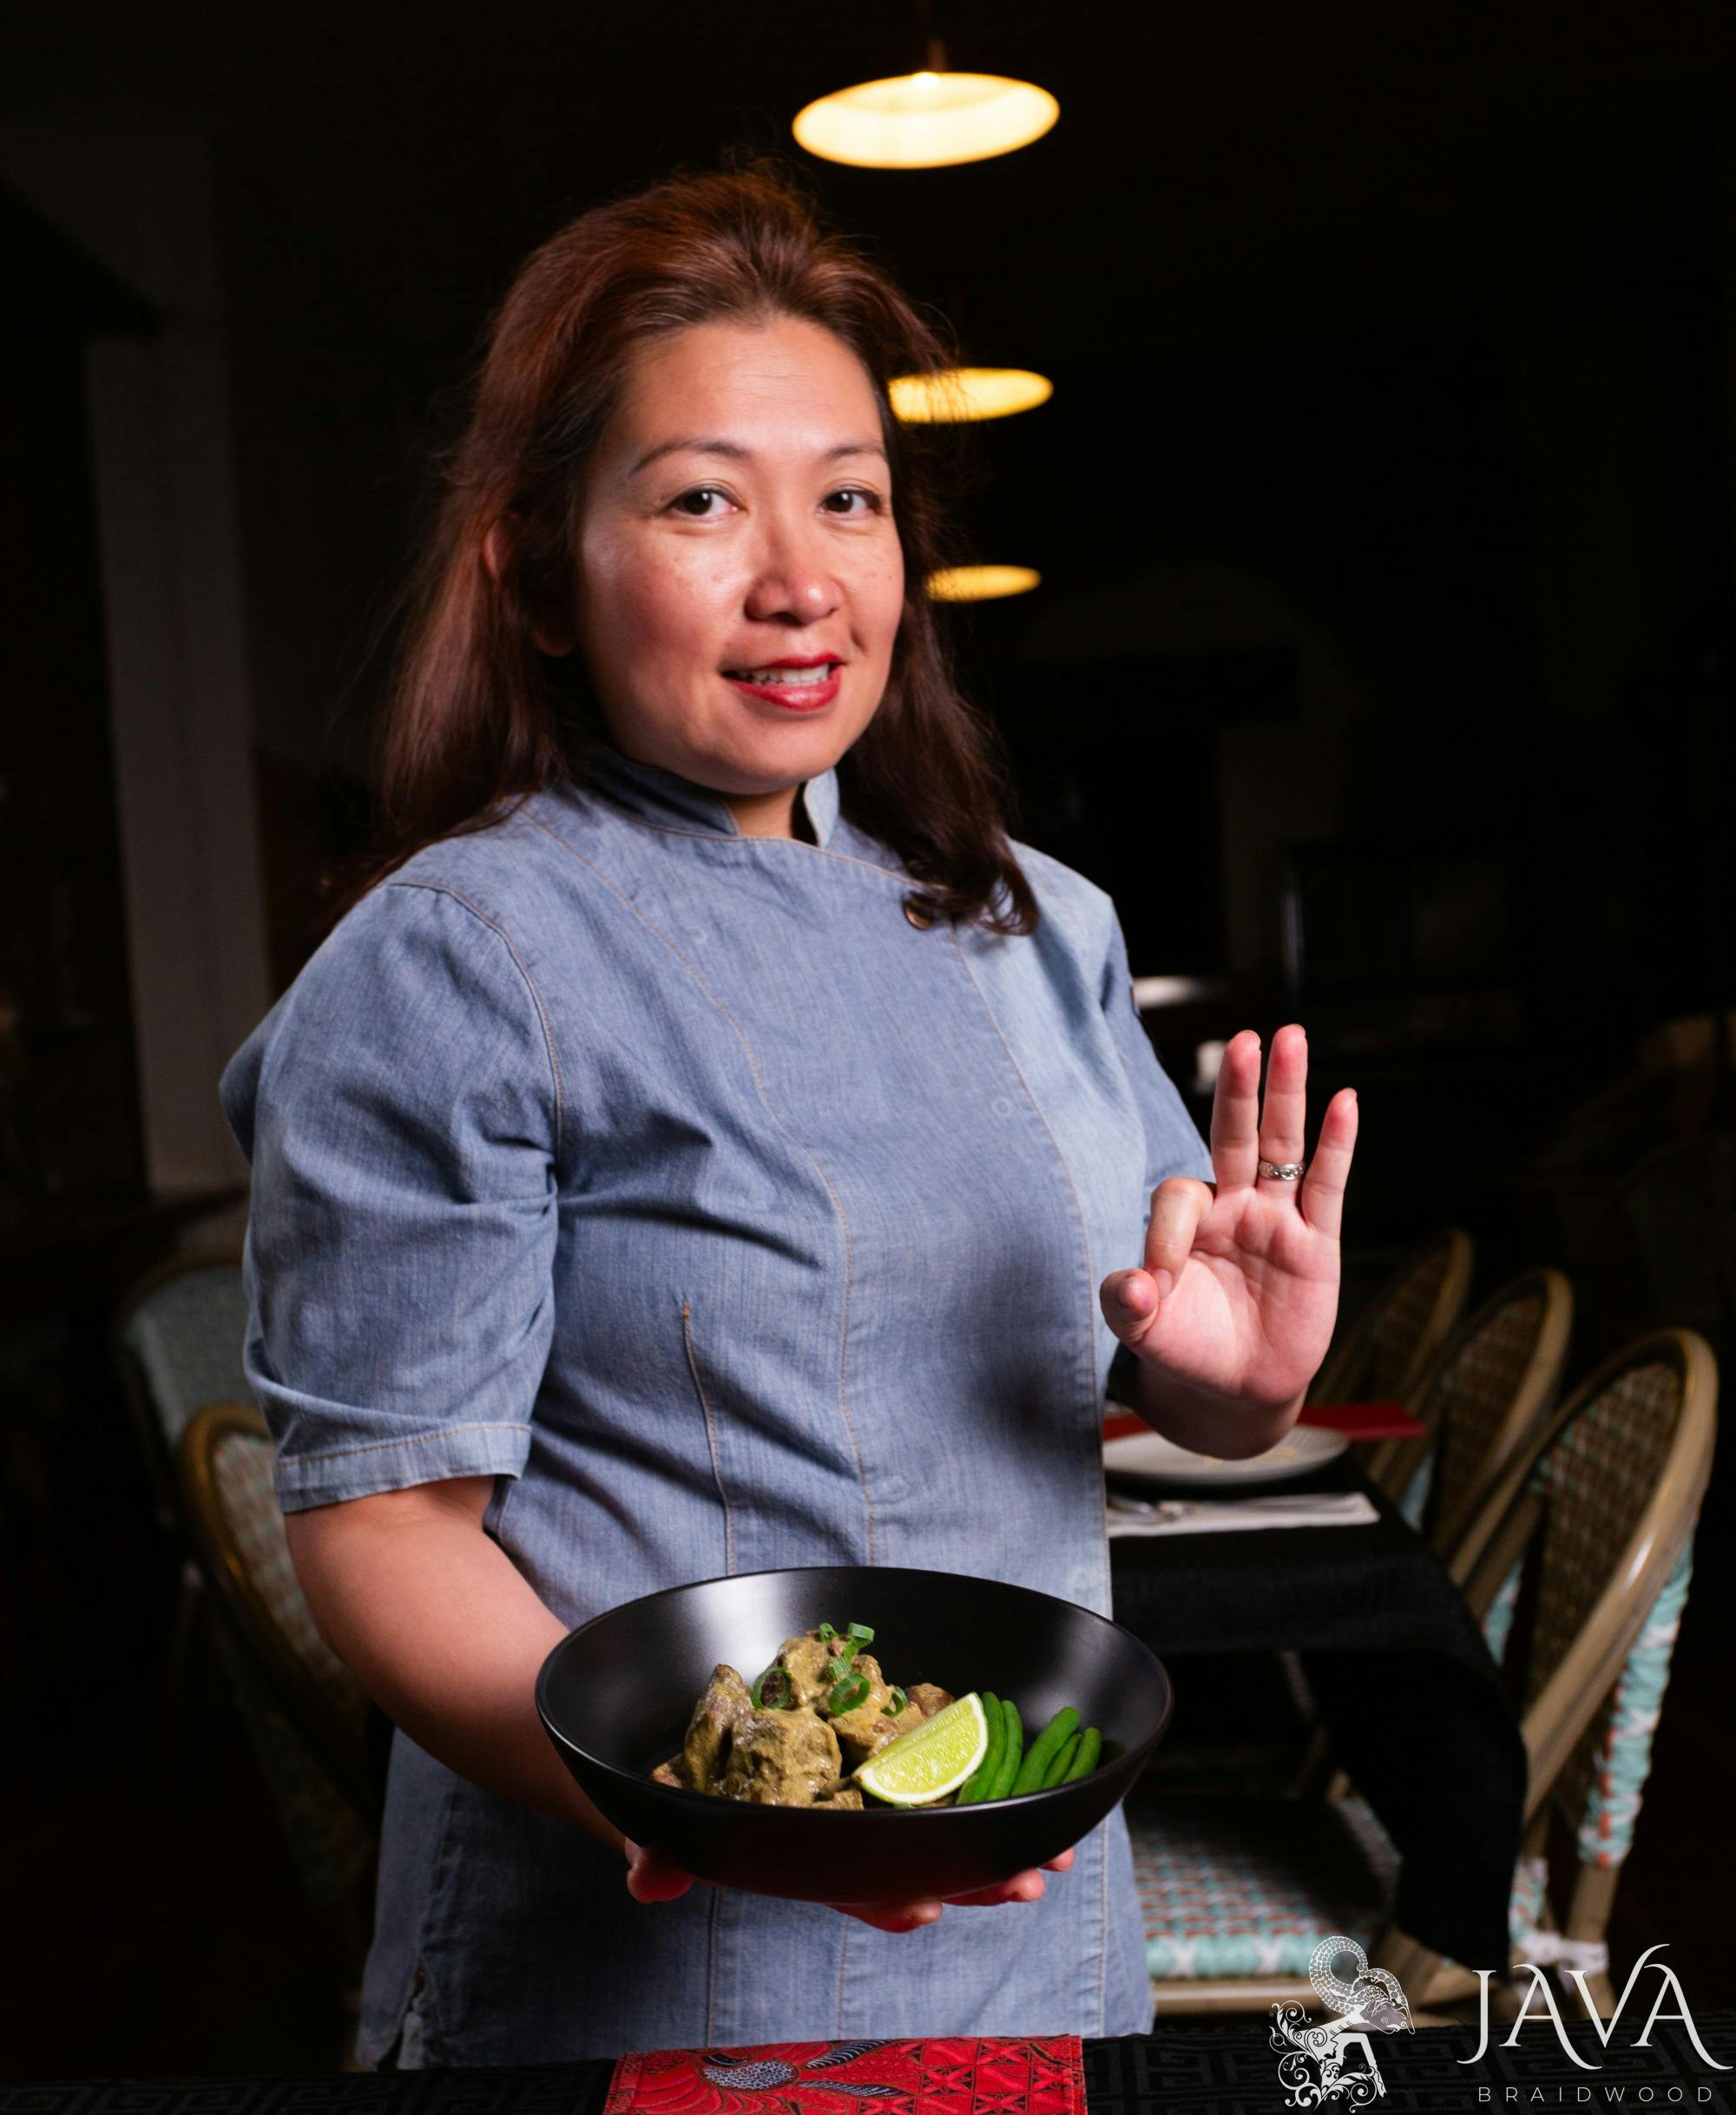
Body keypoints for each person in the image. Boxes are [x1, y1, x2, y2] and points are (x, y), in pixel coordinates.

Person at [219, 161, 1358, 2069]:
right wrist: (701, 1811)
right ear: (532, 569)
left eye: (847, 496)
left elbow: (1165, 1383)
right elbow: (385, 1525)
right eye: (696, 500)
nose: (799, 576)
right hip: (655, 1972)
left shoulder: (1034, 916)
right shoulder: (465, 951)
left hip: (1022, 1921)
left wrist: (1232, 1383)